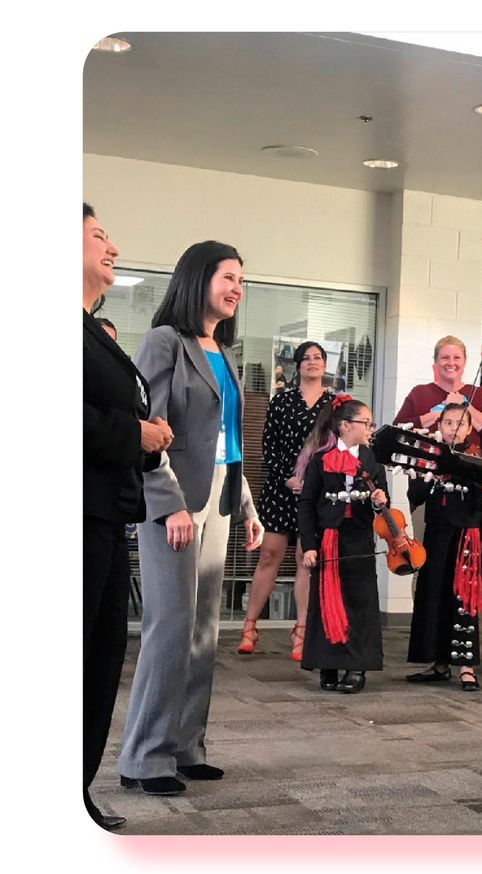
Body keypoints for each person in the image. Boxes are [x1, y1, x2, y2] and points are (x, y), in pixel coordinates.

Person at [118, 240, 264, 797]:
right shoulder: (164, 342)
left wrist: (246, 506)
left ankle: (185, 746)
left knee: (204, 631)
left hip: (222, 496)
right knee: (170, 628)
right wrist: (169, 501)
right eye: (228, 276)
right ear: (198, 278)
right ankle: (143, 757)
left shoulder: (223, 352)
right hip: (175, 502)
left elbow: (226, 442)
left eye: (241, 281)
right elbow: (146, 428)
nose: (236, 289)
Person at [83, 203, 172, 829]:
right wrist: (134, 434)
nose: (111, 246)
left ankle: (72, 791)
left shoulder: (90, 330)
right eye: (95, 235)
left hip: (107, 515)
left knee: (100, 656)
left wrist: (147, 438)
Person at [237, 341, 333, 659]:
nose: (312, 363)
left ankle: (301, 631)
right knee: (270, 556)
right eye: (306, 358)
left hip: (315, 494)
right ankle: (250, 627)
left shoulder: (335, 405)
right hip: (281, 489)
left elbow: (335, 450)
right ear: (296, 365)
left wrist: (310, 483)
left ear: (325, 364)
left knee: (306, 559)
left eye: (318, 358)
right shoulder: (282, 401)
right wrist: (288, 479)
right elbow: (270, 447)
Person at [297, 397, 389, 694]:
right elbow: (307, 505)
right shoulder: (320, 460)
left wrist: (380, 501)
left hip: (359, 536)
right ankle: (328, 663)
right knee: (327, 599)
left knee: (360, 601)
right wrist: (309, 545)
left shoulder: (371, 459)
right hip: (329, 538)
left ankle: (357, 666)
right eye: (366, 423)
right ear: (345, 426)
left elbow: (382, 495)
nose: (370, 428)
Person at [405, 404, 482, 691]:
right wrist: (430, 472)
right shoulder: (431, 456)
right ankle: (438, 663)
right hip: (437, 535)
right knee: (433, 594)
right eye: (448, 422)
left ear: (469, 429)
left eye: (460, 423)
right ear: (439, 426)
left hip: (464, 535)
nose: (453, 428)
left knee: (463, 600)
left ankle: (466, 667)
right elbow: (413, 495)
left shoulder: (475, 458)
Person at [393, 335, 482, 455]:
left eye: (457, 358)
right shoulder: (419, 393)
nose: (451, 363)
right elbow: (397, 431)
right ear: (435, 362)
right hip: (426, 466)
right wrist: (433, 415)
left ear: (465, 362)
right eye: (445, 358)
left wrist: (464, 405)